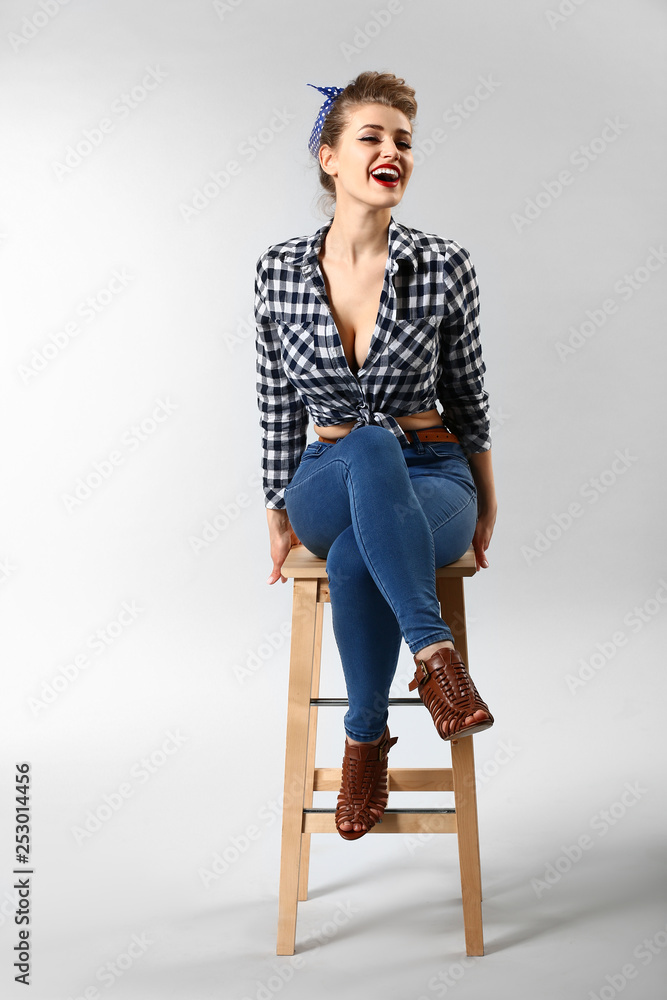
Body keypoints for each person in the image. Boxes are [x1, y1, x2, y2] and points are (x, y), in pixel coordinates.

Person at [254, 71, 497, 841]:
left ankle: (364, 741)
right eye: (372, 137)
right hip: (325, 476)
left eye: (404, 141)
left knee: (365, 546)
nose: (392, 151)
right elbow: (273, 403)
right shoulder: (277, 272)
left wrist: (486, 505)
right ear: (329, 158)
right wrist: (273, 513)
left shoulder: (443, 265)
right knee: (361, 441)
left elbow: (468, 396)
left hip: (432, 476)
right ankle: (436, 657)